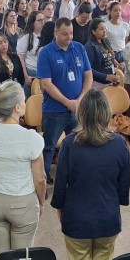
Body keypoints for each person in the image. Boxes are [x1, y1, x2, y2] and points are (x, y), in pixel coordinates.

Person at [51, 89, 130, 260]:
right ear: (107, 113)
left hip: (76, 217)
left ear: (81, 113)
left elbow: (60, 182)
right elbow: (124, 183)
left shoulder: (69, 143)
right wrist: (118, 202)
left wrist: (60, 207)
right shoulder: (120, 143)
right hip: (108, 217)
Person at [0, 81, 45, 257]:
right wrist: (41, 202)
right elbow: (40, 179)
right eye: (24, 100)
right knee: (21, 258)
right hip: (23, 203)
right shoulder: (31, 138)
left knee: (0, 255)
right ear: (17, 108)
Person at [37, 17, 93, 181]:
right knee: (49, 146)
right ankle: (44, 176)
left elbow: (88, 76)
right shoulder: (46, 53)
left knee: (78, 144)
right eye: (65, 34)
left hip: (77, 109)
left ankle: (76, 173)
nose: (69, 37)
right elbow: (46, 84)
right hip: (54, 111)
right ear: (55, 33)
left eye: (71, 33)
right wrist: (67, 102)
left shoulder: (79, 48)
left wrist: (80, 99)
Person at [85, 18, 122, 89]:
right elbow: (88, 69)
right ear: (93, 31)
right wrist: (106, 77)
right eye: (101, 29)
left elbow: (110, 58)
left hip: (111, 81)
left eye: (105, 28)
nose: (104, 31)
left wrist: (117, 64)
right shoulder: (90, 47)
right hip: (98, 83)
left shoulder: (106, 42)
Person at [17, 11, 45, 95]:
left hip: (44, 72)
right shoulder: (25, 37)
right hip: (31, 71)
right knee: (30, 98)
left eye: (43, 20)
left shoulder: (46, 35)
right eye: (39, 20)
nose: (42, 23)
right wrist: (26, 76)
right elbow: (21, 58)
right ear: (32, 22)